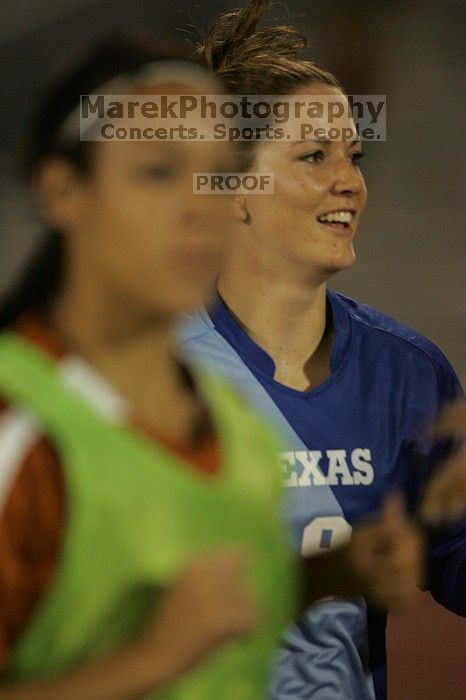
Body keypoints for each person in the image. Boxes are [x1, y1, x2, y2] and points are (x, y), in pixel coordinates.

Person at [0, 32, 422, 699]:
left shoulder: (234, 420)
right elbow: (171, 638)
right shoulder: (18, 425)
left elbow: (221, 613)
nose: (199, 208)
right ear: (62, 192)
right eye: (160, 172)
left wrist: (327, 579)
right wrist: (153, 658)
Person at [176, 1, 466, 698]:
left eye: (354, 156)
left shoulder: (408, 374)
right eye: (314, 156)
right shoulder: (138, 374)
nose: (351, 181)